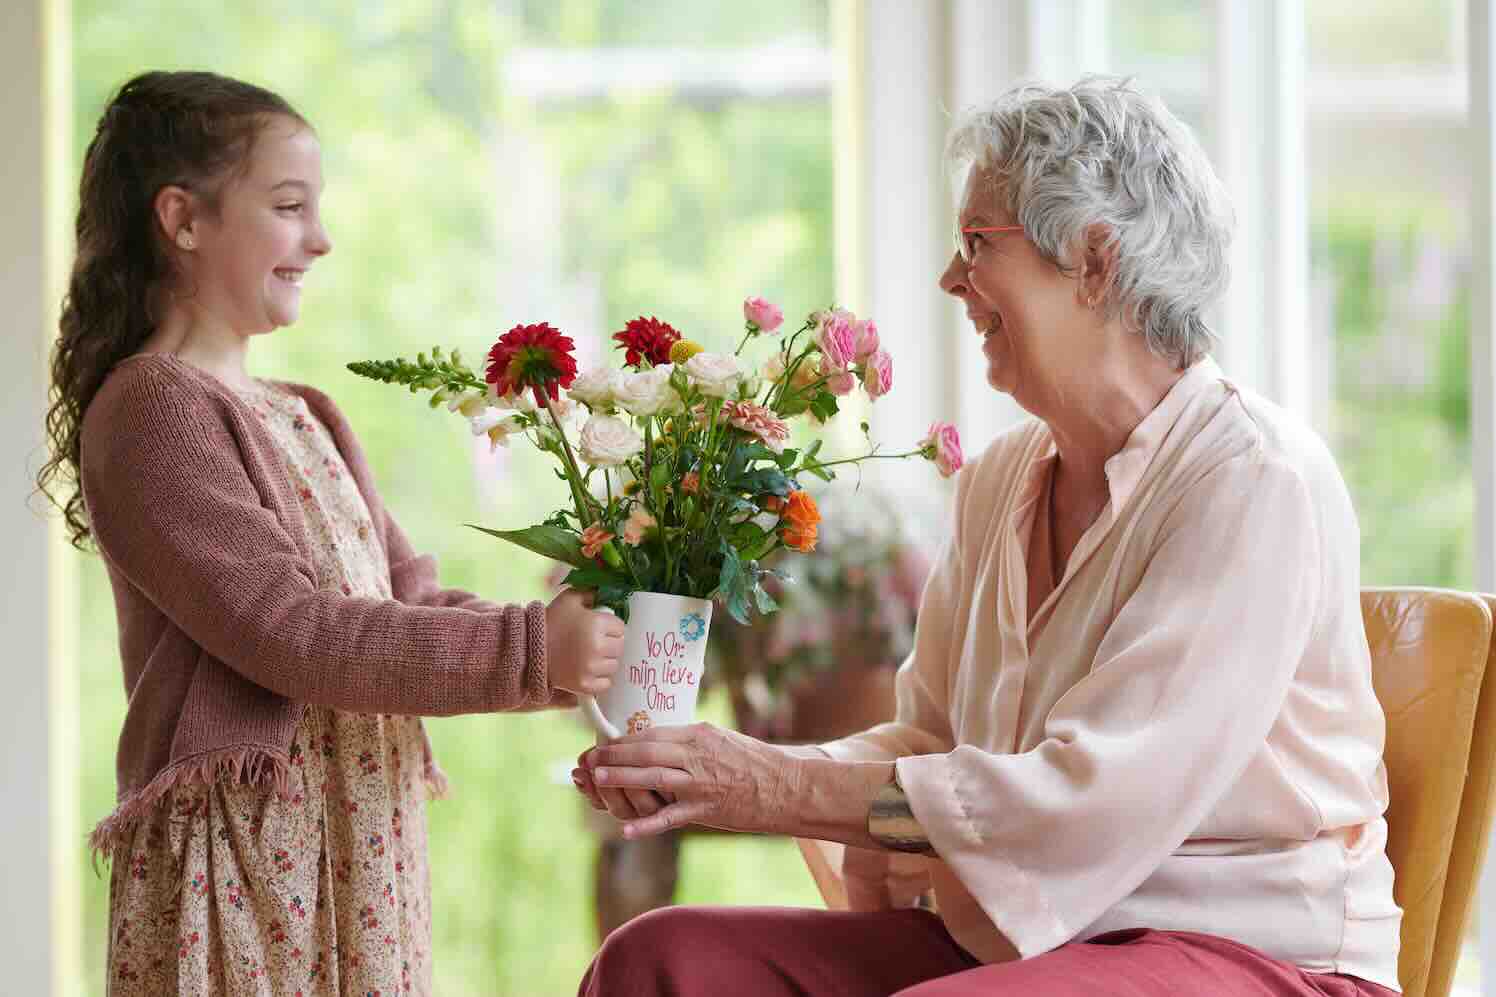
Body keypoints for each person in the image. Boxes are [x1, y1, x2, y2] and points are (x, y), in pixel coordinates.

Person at [572, 76, 1403, 996]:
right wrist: (706, 771)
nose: (950, 279)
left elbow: (1092, 800)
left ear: (1095, 261)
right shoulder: (1003, 478)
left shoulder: (1252, 480)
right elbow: (927, 739)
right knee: (660, 961)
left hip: (1250, 952)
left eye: (979, 242)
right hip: (1022, 948)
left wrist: (772, 786)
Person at [36, 70, 625, 996]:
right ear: (183, 219)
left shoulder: (306, 414)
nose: (321, 237)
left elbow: (408, 604)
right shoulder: (153, 411)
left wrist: (567, 642)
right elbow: (291, 629)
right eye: (287, 205)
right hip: (245, 871)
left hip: (356, 851)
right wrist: (528, 648)